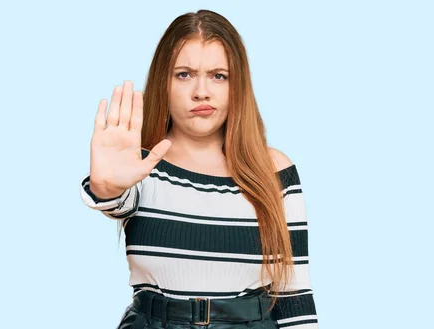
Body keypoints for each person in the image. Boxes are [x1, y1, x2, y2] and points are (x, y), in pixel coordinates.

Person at [80, 9, 319, 329]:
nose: (201, 91)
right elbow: (113, 196)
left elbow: (294, 295)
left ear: (238, 85)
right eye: (184, 74)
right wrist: (106, 186)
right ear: (163, 82)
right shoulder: (140, 166)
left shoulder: (274, 170)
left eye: (219, 75)